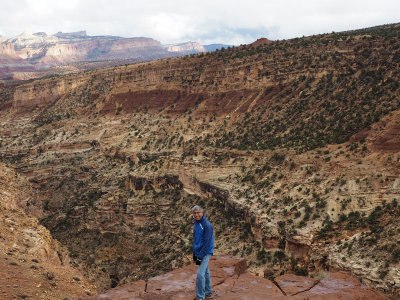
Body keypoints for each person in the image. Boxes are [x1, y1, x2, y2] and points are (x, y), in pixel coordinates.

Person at [192, 205, 214, 300]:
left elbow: (207, 243)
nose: (196, 215)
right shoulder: (196, 223)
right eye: (195, 213)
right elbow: (196, 239)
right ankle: (208, 292)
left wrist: (200, 256)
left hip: (205, 252)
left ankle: (201, 297)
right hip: (199, 251)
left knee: (200, 275)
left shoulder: (207, 225)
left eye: (198, 213)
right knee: (206, 272)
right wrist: (194, 253)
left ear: (203, 213)